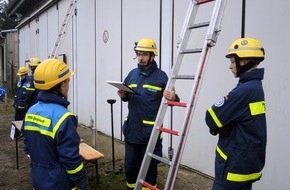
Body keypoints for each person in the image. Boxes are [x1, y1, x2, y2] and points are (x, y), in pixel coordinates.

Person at [118, 38, 180, 190]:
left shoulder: (162, 77)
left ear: (153, 56)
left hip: (150, 134)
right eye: (139, 54)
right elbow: (127, 98)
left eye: (145, 54)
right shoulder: (132, 74)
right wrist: (123, 95)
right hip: (132, 131)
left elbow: (173, 101)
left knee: (150, 170)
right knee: (130, 166)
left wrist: (174, 98)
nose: (141, 58)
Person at [205, 37, 267, 190]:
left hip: (233, 166)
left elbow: (211, 118)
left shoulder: (244, 91)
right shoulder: (256, 87)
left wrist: (222, 124)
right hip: (246, 164)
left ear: (244, 61)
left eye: (232, 61)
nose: (230, 66)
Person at [22, 59, 88, 190]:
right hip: (60, 183)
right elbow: (71, 160)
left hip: (38, 180)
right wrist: (82, 183)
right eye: (67, 81)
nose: (68, 85)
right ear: (61, 85)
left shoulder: (31, 111)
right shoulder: (64, 117)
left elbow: (27, 146)